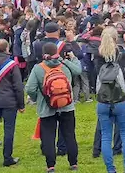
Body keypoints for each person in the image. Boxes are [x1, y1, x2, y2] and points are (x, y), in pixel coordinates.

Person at [25, 42, 82, 172]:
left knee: (48, 137)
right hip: (67, 106)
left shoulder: (38, 68)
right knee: (69, 135)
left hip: (46, 108)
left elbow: (30, 88)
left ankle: (51, 166)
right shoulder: (65, 65)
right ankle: (73, 163)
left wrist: (37, 98)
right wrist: (72, 58)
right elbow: (78, 70)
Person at [95, 27, 125, 173]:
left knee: (106, 136)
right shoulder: (121, 55)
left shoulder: (98, 55)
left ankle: (110, 169)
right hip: (122, 99)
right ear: (116, 39)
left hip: (103, 100)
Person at [0, 39, 23, 167]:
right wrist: (21, 104)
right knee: (9, 130)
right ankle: (7, 158)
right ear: (7, 49)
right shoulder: (11, 65)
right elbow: (18, 86)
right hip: (9, 101)